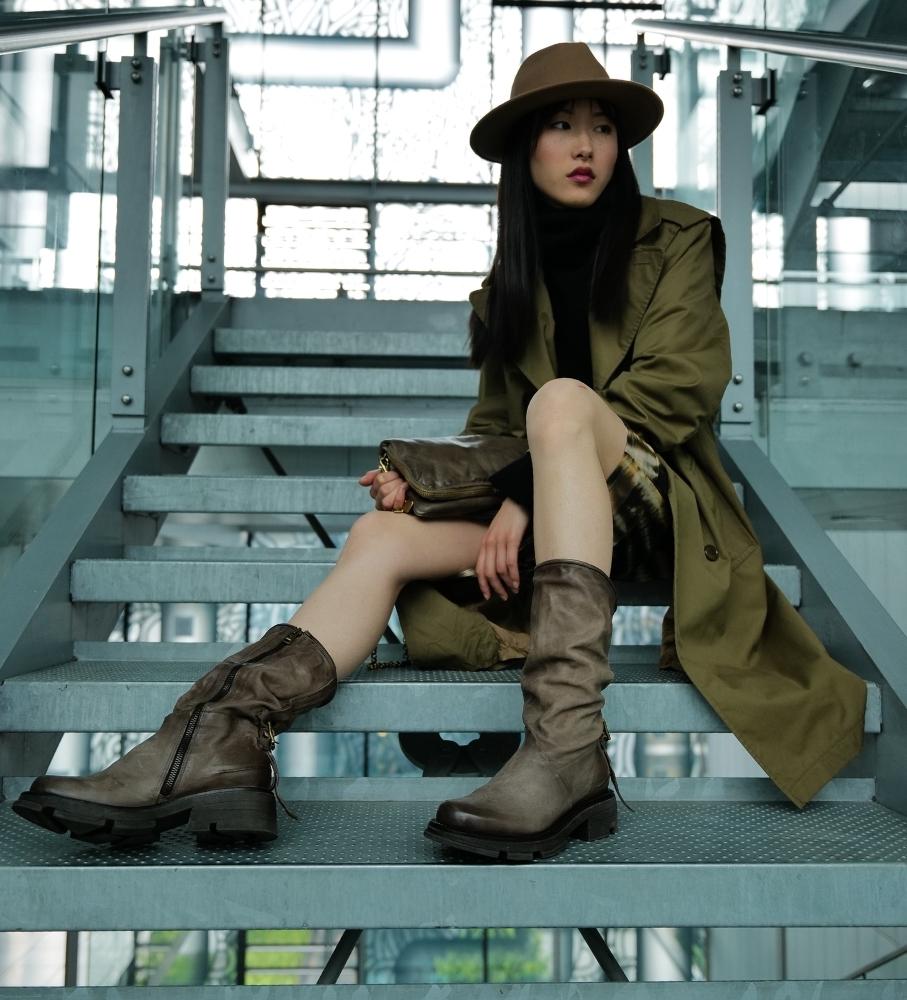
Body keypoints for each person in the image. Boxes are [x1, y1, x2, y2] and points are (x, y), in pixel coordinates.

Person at [13, 43, 867, 862]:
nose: (584, 146)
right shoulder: (506, 285)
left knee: (563, 402)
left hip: (658, 504)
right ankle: (216, 736)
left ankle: (567, 749)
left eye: (601, 127)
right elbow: (495, 425)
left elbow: (678, 389)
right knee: (381, 537)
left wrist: (522, 496)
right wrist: (427, 491)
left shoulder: (677, 236)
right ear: (524, 150)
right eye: (560, 125)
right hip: (562, 515)